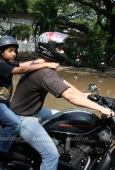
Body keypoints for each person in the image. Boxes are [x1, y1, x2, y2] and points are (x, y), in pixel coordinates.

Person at [10, 32, 115, 170]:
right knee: (51, 155)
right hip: (23, 118)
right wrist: (100, 108)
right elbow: (70, 96)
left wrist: (84, 94)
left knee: (62, 117)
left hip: (31, 111)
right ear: (49, 48)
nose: (63, 51)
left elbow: (64, 84)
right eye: (59, 48)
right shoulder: (44, 72)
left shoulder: (41, 64)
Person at [0, 35, 59, 156]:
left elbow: (22, 65)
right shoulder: (1, 66)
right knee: (14, 124)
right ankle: (1, 150)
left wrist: (40, 60)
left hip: (4, 102)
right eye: (10, 51)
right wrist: (45, 65)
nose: (14, 54)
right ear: (1, 52)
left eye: (15, 51)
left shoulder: (7, 63)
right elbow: (22, 70)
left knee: (19, 110)